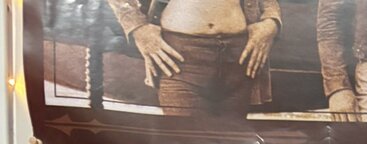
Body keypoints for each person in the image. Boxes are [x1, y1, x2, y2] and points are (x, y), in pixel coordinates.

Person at [105, 0, 281, 117]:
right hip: (180, 59)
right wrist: (137, 27)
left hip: (240, 57)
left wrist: (271, 21)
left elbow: (269, 3)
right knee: (187, 143)